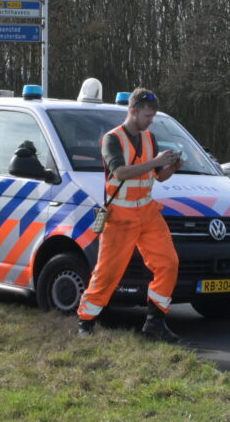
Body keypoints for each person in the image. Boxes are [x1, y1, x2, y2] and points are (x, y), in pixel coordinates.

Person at [77, 88, 183, 342]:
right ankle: (86, 321)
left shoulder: (150, 138)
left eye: (153, 116)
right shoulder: (111, 139)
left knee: (169, 263)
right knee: (108, 273)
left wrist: (173, 166)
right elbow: (120, 173)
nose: (150, 121)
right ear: (133, 111)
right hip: (120, 215)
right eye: (147, 115)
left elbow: (158, 176)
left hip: (147, 212)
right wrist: (156, 162)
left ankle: (155, 323)